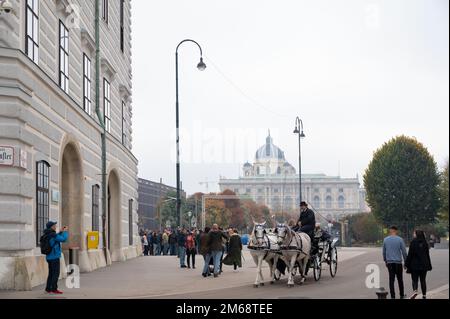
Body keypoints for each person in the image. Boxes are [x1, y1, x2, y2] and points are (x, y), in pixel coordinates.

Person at [40, 221, 68, 294]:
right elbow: (63, 239)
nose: (55, 226)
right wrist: (65, 232)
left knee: (51, 274)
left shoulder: (47, 234)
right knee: (55, 274)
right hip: (54, 257)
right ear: (51, 227)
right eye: (54, 225)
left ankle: (48, 289)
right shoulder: (53, 235)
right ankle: (54, 289)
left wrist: (60, 232)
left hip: (49, 257)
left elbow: (55, 238)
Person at [405, 230, 432, 299]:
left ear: (417, 234)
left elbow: (410, 255)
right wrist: (429, 264)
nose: (413, 234)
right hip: (424, 265)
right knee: (423, 280)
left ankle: (415, 291)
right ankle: (424, 295)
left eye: (414, 233)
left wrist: (406, 264)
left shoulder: (413, 242)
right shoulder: (425, 243)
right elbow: (427, 255)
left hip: (415, 265)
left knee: (414, 280)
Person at [383, 226, 408, 299]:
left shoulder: (385, 240)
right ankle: (402, 295)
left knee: (391, 280)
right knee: (400, 279)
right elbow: (404, 252)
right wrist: (406, 262)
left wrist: (385, 260)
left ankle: (392, 296)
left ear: (390, 231)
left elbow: (384, 252)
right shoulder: (400, 239)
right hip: (398, 263)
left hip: (390, 263)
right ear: (396, 231)